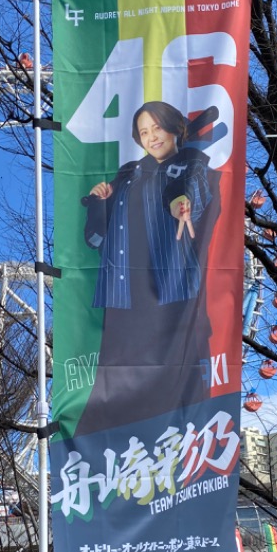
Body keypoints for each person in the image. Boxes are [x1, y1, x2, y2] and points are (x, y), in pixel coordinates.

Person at [75, 101, 220, 436]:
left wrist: (179, 204)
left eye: (157, 128)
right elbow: (96, 239)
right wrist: (98, 204)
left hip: (170, 299)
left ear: (174, 129)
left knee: (175, 393)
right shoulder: (128, 175)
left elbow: (191, 196)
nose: (151, 137)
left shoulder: (191, 166)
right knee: (117, 398)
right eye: (143, 131)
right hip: (124, 300)